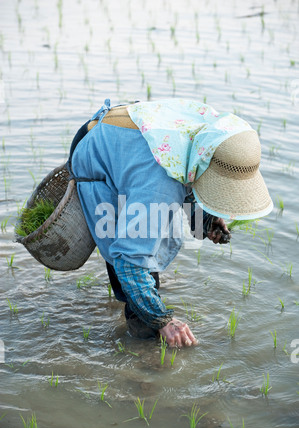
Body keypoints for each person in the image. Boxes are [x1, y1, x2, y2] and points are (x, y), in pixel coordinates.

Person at [67, 98, 273, 348]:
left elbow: (190, 173)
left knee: (145, 241)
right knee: (132, 251)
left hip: (134, 139)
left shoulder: (213, 139)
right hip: (99, 156)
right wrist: (162, 320)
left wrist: (204, 220)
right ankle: (141, 343)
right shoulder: (158, 187)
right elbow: (128, 260)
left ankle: (144, 313)